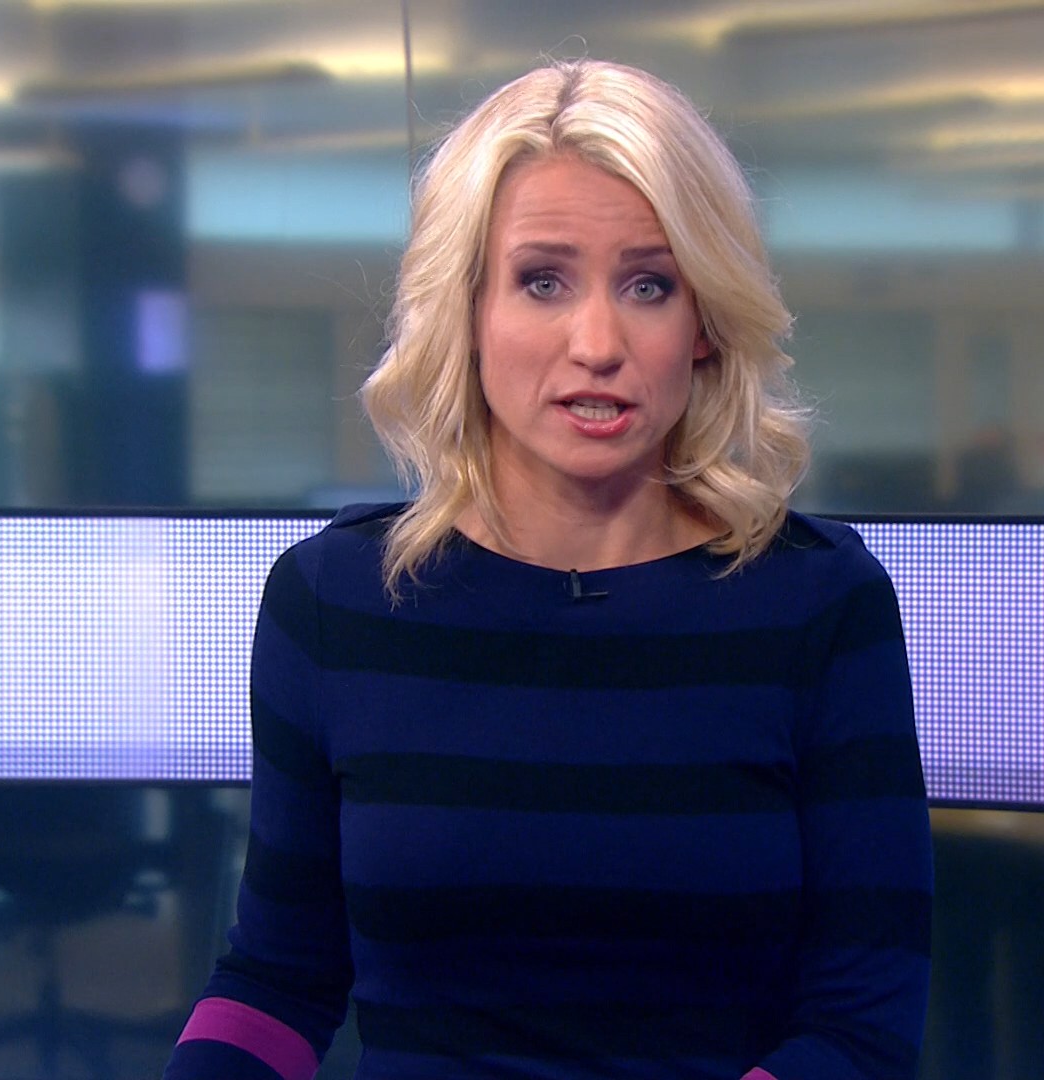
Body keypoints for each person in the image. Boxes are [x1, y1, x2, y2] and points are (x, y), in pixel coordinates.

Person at [163, 58, 933, 1080]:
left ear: (704, 324)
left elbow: (861, 1023)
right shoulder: (334, 601)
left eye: (649, 285)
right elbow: (278, 978)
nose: (598, 344)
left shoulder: (818, 601)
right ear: (466, 310)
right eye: (542, 281)